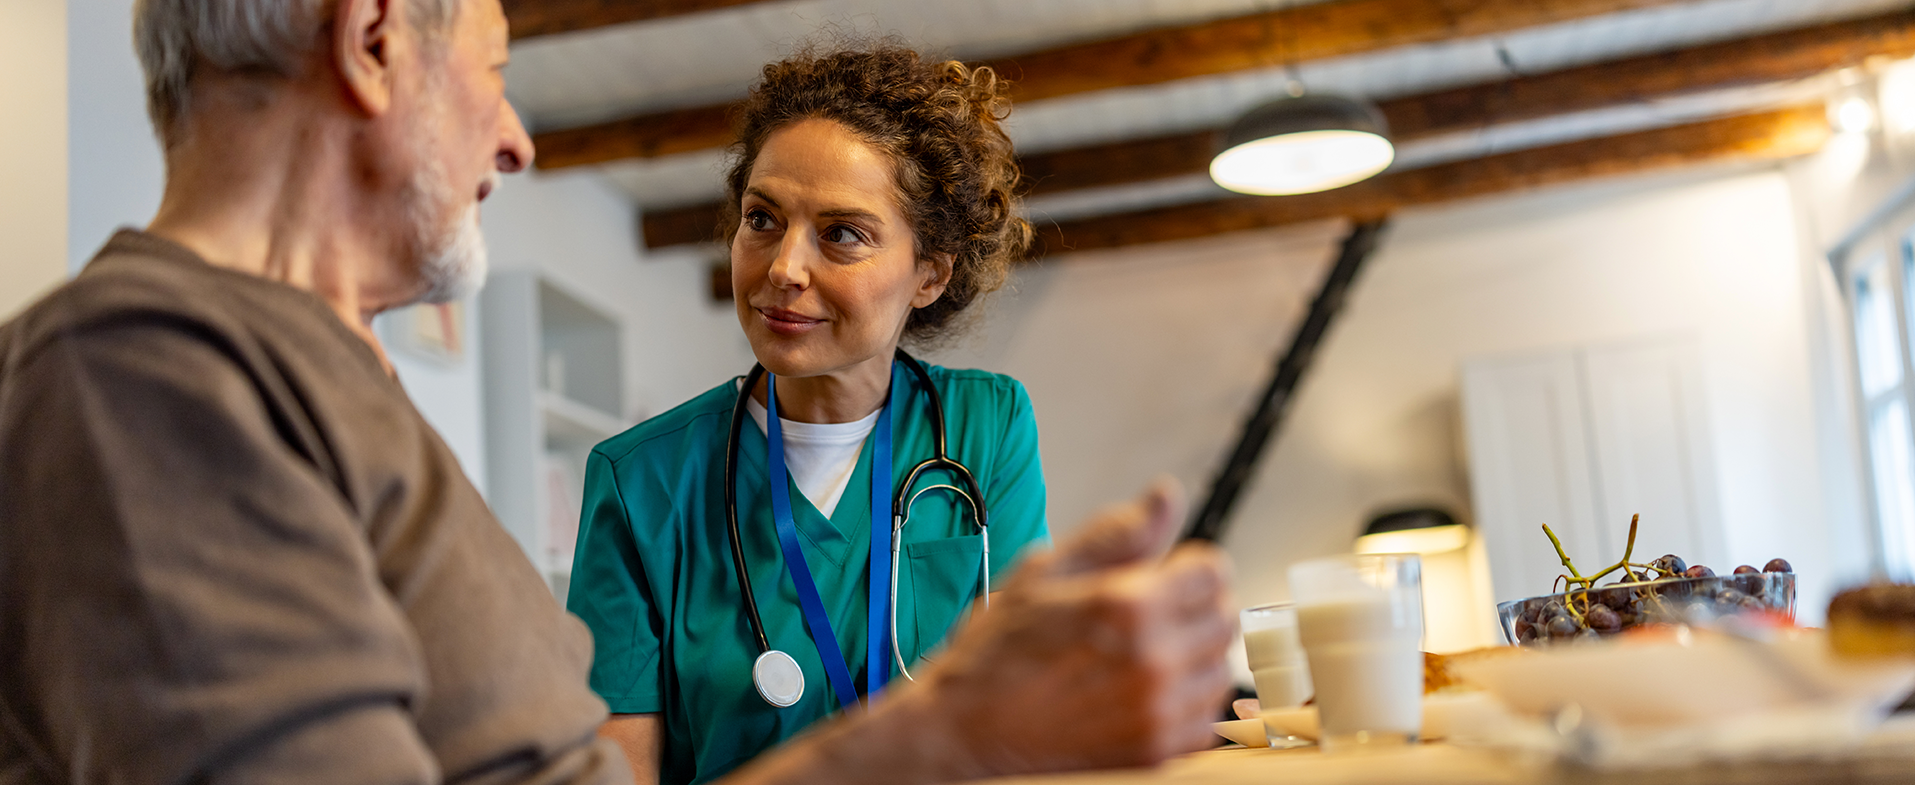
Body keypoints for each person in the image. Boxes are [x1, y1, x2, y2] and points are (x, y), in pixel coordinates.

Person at [0, 0, 1235, 783]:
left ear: (933, 274)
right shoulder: (144, 385)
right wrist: (953, 732)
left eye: (845, 236)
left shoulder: (318, 387)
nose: (519, 141)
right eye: (493, 66)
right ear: (374, 40)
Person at [565, 46, 1054, 784]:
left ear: (929, 272)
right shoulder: (642, 481)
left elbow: (1025, 713)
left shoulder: (985, 426)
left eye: (842, 233)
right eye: (761, 218)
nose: (783, 268)